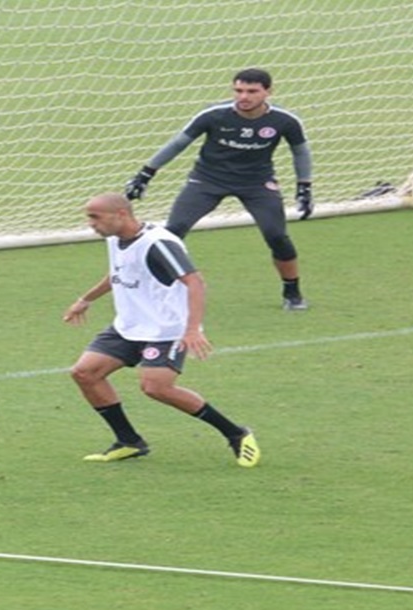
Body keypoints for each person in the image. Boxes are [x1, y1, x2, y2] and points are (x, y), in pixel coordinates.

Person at [63, 194, 260, 467]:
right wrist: (85, 300)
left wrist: (192, 329)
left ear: (121, 214)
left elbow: (195, 282)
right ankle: (129, 441)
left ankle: (236, 433)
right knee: (84, 373)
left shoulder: (158, 244)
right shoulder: (114, 238)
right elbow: (120, 272)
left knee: (156, 388)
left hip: (166, 329)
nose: (90, 223)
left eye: (95, 217)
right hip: (129, 325)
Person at [124, 68, 313, 311]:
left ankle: (292, 291)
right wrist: (145, 174)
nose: (243, 97)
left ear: (268, 92)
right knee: (172, 232)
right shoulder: (213, 115)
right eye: (238, 90)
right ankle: (148, 287)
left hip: (256, 183)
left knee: (277, 236)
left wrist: (304, 187)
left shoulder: (285, 120)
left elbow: (301, 152)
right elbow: (178, 143)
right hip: (207, 180)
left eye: (252, 91)